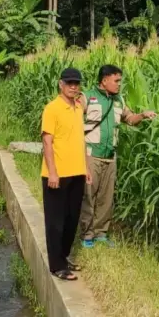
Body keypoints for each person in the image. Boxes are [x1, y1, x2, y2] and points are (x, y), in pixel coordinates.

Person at [79, 64, 157, 248]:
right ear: (104, 80)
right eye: (116, 81)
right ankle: (87, 234)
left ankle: (101, 233)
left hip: (110, 156)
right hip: (91, 155)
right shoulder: (87, 97)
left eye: (120, 81)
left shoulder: (119, 100)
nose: (119, 84)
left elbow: (130, 119)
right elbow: (72, 117)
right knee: (89, 196)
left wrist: (143, 115)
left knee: (106, 198)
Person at [40, 67, 90, 281]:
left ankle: (64, 256)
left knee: (72, 219)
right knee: (55, 221)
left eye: (76, 83)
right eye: (69, 83)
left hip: (77, 172)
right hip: (57, 174)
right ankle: (57, 265)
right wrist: (52, 172)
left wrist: (86, 168)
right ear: (60, 84)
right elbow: (47, 141)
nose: (73, 86)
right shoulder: (52, 108)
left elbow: (81, 140)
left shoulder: (78, 107)